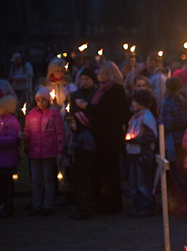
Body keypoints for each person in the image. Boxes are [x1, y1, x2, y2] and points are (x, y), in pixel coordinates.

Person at [75, 61, 129, 214]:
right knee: (101, 170)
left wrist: (87, 107)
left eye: (103, 73)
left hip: (110, 136)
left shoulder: (116, 90)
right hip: (100, 135)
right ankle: (103, 201)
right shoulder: (102, 90)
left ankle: (113, 203)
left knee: (110, 170)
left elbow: (108, 112)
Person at [24, 88, 66, 216]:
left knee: (48, 179)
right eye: (38, 100)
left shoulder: (54, 115)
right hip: (35, 151)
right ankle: (37, 205)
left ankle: (48, 205)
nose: (40, 103)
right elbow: (28, 131)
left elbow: (60, 134)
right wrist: (24, 136)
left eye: (43, 100)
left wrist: (60, 151)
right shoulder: (31, 114)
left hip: (49, 151)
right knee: (36, 179)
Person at [161, 77, 187, 212]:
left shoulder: (169, 102)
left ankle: (184, 200)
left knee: (176, 171)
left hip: (174, 139)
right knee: (183, 171)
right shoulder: (184, 99)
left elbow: (167, 124)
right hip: (184, 138)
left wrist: (160, 125)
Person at [125, 90, 158, 217]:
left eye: (134, 100)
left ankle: (146, 205)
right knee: (134, 180)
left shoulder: (147, 117)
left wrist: (136, 140)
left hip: (142, 154)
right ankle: (137, 203)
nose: (132, 103)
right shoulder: (136, 116)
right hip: (134, 153)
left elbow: (151, 136)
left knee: (143, 181)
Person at [0, 95, 20, 218]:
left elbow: (12, 139)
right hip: (1, 158)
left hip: (8, 158)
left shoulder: (12, 122)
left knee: (7, 183)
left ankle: (9, 205)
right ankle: (3, 204)